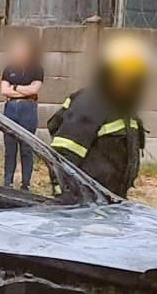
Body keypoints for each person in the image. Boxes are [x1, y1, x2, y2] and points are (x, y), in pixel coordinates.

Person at [47, 35, 149, 197]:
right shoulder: (89, 104)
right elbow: (62, 159)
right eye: (121, 76)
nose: (126, 82)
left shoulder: (125, 110)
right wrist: (67, 200)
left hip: (110, 202)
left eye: (132, 78)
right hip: (85, 204)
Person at [0, 32, 44, 190]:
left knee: (26, 147)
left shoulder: (37, 69)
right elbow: (4, 90)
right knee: (10, 148)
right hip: (10, 108)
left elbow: (35, 89)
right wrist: (24, 90)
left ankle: (25, 184)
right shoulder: (8, 69)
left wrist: (15, 87)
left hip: (28, 109)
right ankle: (7, 182)